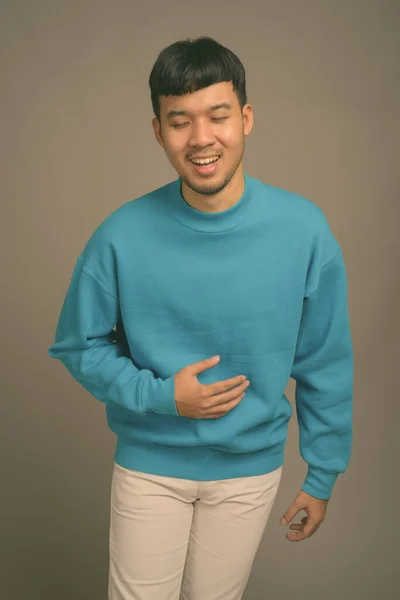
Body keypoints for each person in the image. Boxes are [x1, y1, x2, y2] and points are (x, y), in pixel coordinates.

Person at [48, 36, 353, 600]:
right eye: (179, 121)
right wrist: (162, 396)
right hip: (150, 470)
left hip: (248, 472)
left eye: (218, 116)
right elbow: (78, 346)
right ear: (158, 131)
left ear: (246, 117)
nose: (201, 138)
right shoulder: (120, 236)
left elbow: (324, 361)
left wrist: (322, 473)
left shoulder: (304, 231)